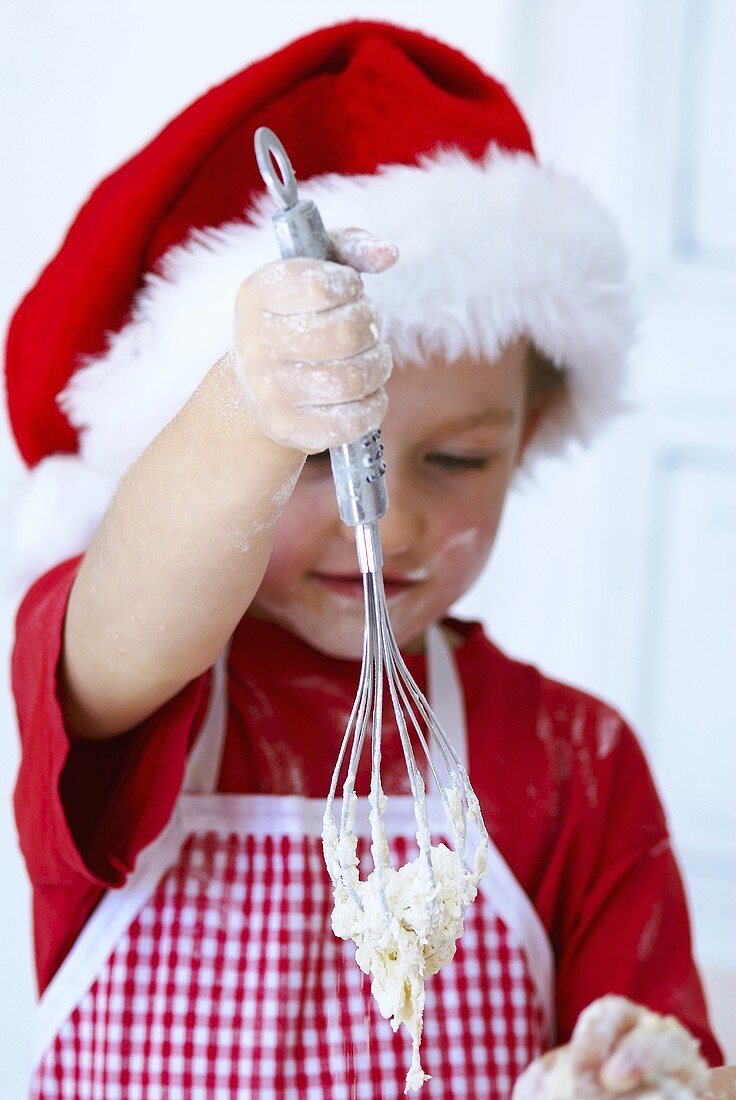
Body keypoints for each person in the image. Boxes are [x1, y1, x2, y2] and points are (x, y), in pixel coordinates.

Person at [7, 19, 723, 1099]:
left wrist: (644, 1079)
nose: (385, 526)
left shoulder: (577, 759)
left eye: (455, 457)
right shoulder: (141, 693)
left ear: (529, 436)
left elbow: (671, 1061)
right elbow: (132, 600)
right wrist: (254, 399)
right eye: (310, 457)